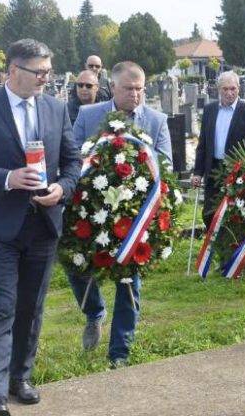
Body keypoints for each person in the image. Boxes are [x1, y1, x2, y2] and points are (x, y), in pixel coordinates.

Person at [0, 39, 81, 415]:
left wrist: (61, 189)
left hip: (43, 227)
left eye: (48, 72)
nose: (45, 79)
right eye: (38, 72)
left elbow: (73, 162)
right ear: (13, 70)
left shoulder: (56, 108)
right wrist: (7, 178)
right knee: (1, 307)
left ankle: (20, 377)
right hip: (0, 229)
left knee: (31, 307)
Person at [67, 61, 172, 368]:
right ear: (112, 87)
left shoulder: (156, 120)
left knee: (128, 280)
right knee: (76, 266)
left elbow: (166, 163)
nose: (135, 95)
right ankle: (94, 313)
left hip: (134, 214)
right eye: (128, 89)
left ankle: (119, 352)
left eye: (140, 89)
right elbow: (72, 155)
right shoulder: (88, 116)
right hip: (91, 209)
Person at [191, 71, 245, 227]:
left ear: (238, 89)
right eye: (225, 89)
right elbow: (203, 144)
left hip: (237, 171)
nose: (229, 93)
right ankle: (211, 240)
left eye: (233, 88)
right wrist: (197, 172)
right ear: (218, 89)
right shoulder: (209, 110)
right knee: (209, 214)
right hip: (213, 168)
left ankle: (229, 242)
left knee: (233, 215)